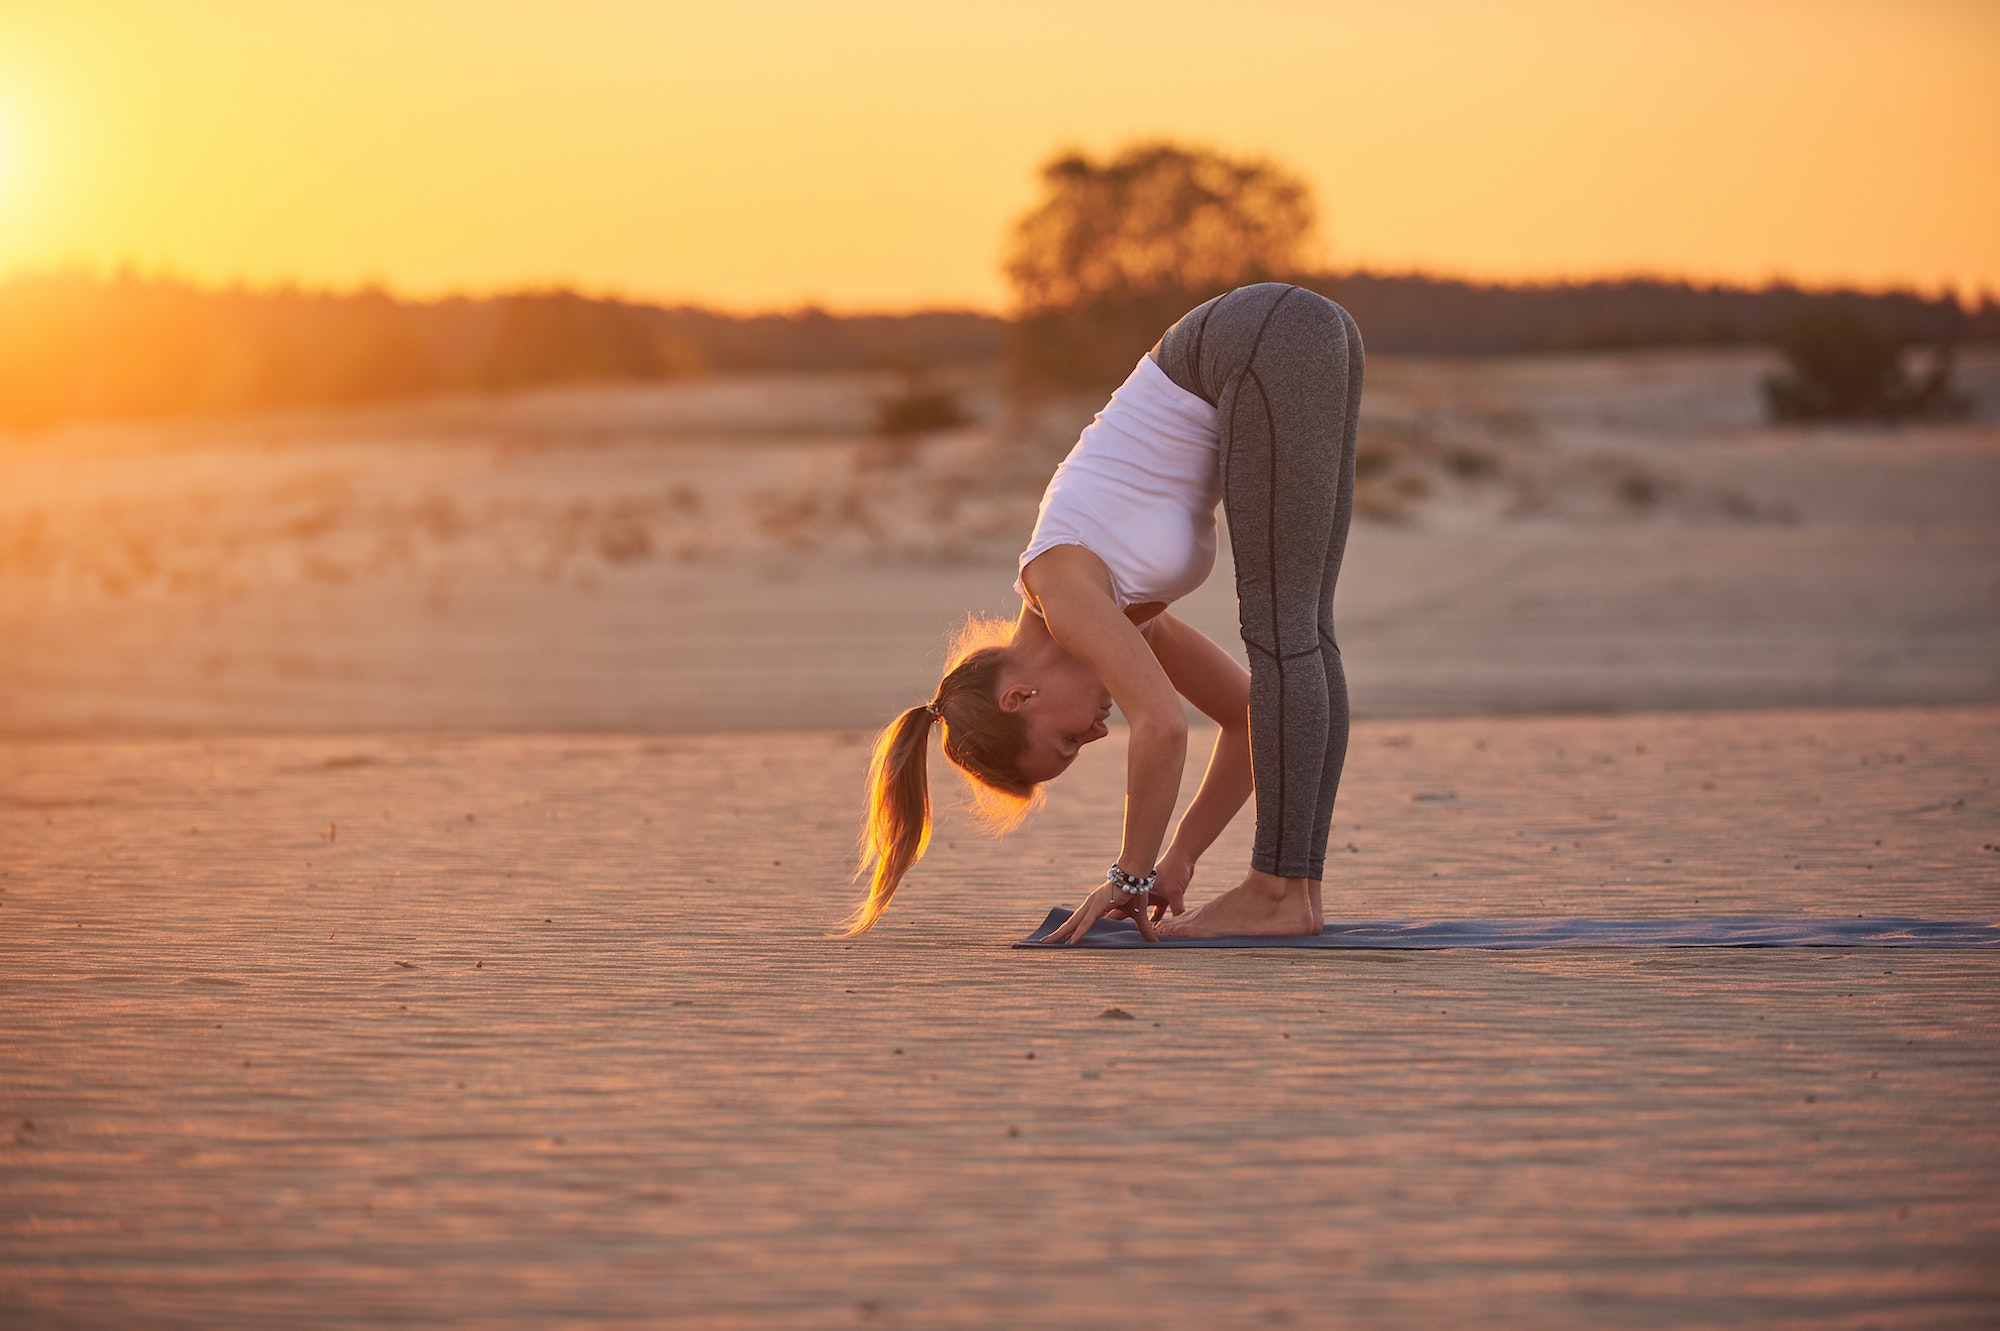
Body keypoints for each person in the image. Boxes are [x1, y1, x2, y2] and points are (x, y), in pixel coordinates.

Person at [847, 283, 1362, 942]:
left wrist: (1131, 874)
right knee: (1303, 632)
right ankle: (1299, 891)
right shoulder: (1120, 613)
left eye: (1064, 741)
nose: (1094, 736)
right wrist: (1180, 856)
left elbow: (1163, 726)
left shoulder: (1060, 588)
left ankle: (1273, 891)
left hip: (1257, 339)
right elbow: (1245, 718)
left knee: (1285, 629)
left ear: (1018, 694)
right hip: (1298, 332)